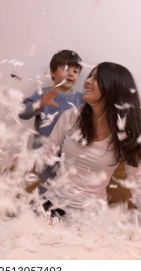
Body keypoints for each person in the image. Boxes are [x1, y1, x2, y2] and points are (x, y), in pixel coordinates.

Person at [37, 62, 141, 227]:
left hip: (91, 218)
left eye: (96, 78)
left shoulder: (128, 134)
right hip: (52, 206)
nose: (87, 81)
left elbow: (137, 182)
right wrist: (22, 163)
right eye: (90, 76)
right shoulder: (70, 117)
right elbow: (45, 154)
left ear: (114, 88)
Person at [19, 50, 83, 191]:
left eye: (75, 71)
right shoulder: (43, 94)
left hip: (70, 159)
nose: (71, 74)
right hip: (44, 156)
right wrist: (40, 104)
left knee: (66, 192)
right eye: (66, 69)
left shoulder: (80, 99)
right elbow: (21, 112)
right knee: (44, 191)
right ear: (53, 73)